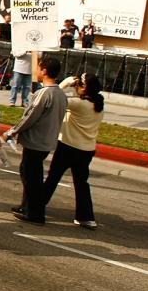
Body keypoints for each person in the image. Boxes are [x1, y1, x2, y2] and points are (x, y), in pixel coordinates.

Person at [6, 56, 68, 224]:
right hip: (46, 141)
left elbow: (30, 117)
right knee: (28, 172)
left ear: (44, 71)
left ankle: (35, 212)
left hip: (36, 141)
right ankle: (26, 205)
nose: (36, 72)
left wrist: (12, 131)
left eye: (39, 68)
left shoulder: (44, 94)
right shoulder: (60, 94)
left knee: (31, 176)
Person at [40, 72, 106, 228]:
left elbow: (55, 97)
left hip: (68, 147)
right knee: (81, 183)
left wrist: (65, 83)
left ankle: (36, 206)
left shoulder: (78, 104)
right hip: (87, 149)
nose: (75, 88)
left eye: (78, 85)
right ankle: (85, 217)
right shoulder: (98, 105)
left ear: (84, 88)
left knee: (53, 178)